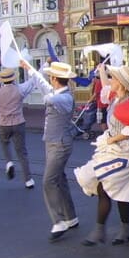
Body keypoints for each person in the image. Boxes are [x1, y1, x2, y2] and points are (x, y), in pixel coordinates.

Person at [74, 64, 129, 246]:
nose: (111, 80)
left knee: (111, 188)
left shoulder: (128, 102)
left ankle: (105, 230)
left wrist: (110, 139)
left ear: (122, 84)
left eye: (114, 78)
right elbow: (105, 86)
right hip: (113, 147)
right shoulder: (116, 98)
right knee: (112, 188)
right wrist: (102, 70)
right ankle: (117, 229)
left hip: (124, 149)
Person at [20, 60, 79, 241]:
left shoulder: (65, 97)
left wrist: (48, 95)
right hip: (52, 142)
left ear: (54, 78)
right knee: (59, 179)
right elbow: (42, 84)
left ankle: (58, 221)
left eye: (50, 77)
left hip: (60, 144)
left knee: (48, 181)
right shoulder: (56, 91)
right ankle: (71, 217)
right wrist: (29, 68)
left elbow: (52, 98)